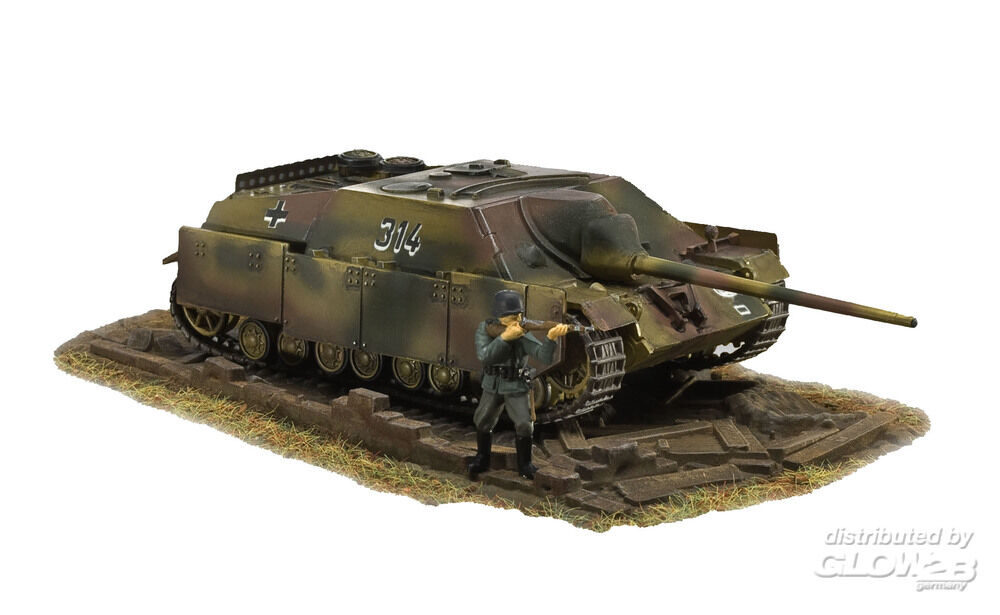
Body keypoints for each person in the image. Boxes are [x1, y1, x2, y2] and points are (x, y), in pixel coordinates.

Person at [467, 290, 570, 480]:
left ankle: (525, 465)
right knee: (482, 420)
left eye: (520, 315)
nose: (518, 320)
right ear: (499, 317)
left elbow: (543, 357)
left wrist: (551, 338)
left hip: (516, 385)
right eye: (512, 317)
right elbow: (485, 356)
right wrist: (504, 338)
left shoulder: (522, 334)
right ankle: (482, 458)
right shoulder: (486, 328)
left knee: (524, 424)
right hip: (492, 384)